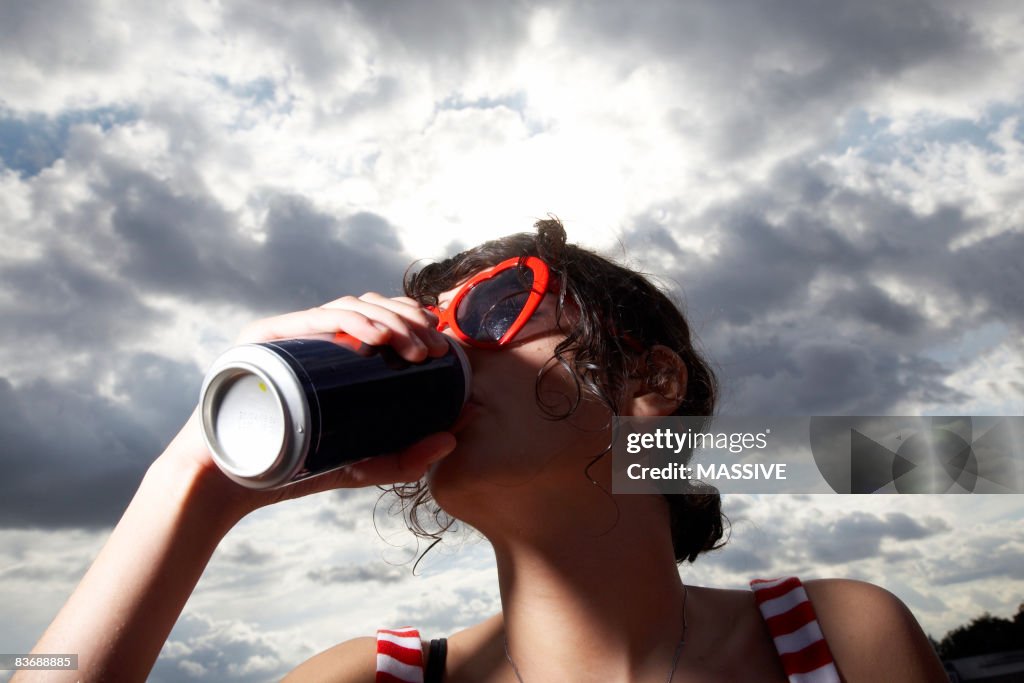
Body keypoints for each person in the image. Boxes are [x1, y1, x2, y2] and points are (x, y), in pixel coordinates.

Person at [17, 218, 948, 682]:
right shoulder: (370, 678)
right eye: (423, 331)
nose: (448, 348)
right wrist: (195, 480)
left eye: (497, 307)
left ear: (650, 384)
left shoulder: (835, 639)